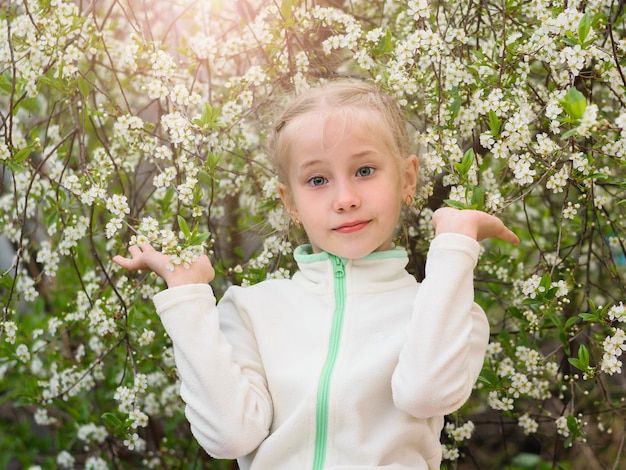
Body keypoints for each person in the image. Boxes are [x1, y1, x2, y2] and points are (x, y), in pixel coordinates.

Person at [113, 80, 519, 470]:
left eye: (365, 170)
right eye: (318, 180)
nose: (345, 199)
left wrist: (455, 245)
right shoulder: (252, 308)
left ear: (407, 178)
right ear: (290, 201)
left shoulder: (444, 311)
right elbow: (229, 437)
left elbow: (425, 395)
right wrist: (186, 298)